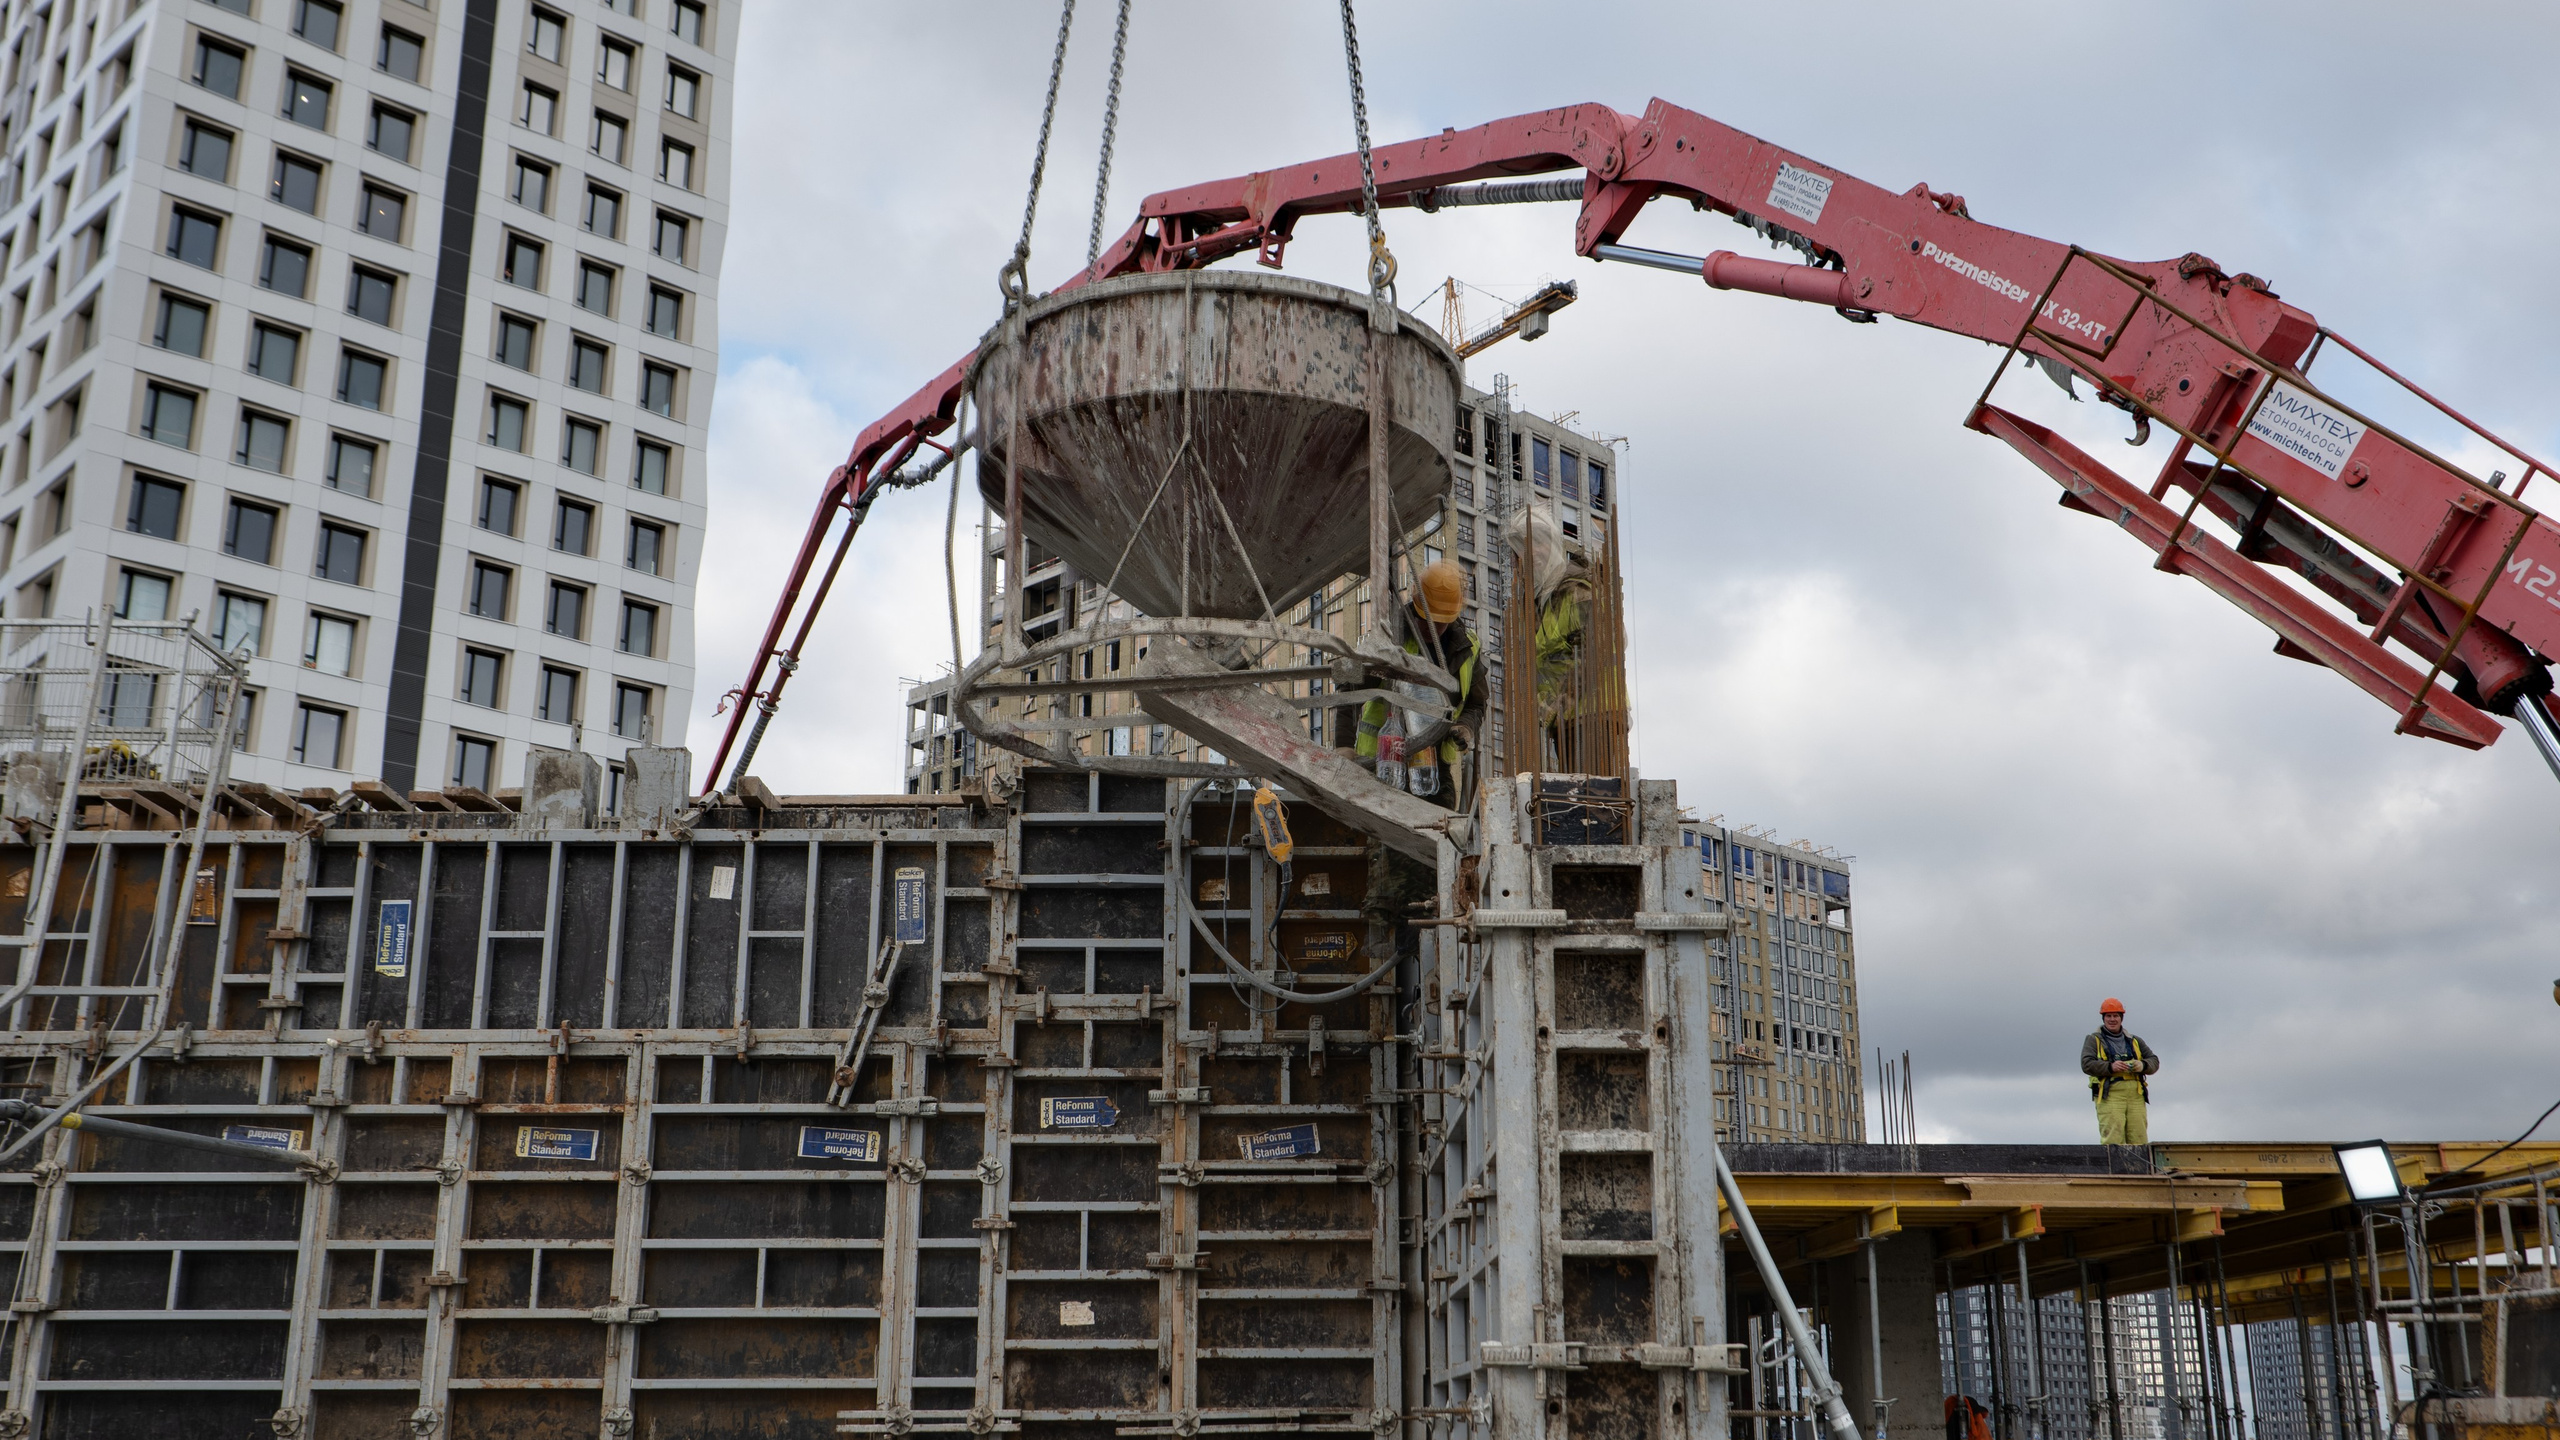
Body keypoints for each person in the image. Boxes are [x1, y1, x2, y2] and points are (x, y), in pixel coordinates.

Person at [1355, 560, 1485, 807]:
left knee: (1440, 839)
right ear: (1416, 606)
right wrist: (1343, 745)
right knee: (1384, 839)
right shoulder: (1390, 635)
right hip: (1385, 760)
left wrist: (1466, 727)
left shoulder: (1467, 647)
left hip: (1434, 768)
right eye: (1428, 620)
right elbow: (1350, 688)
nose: (1435, 628)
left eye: (1442, 621)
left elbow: (1476, 704)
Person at [2080, 998, 2158, 1145]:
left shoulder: (2135, 1040)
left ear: (2121, 1017)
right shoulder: (2093, 1039)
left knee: (2139, 1139)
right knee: (2113, 1140)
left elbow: (2154, 1061)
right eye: (2108, 1016)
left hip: (2136, 1094)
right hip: (2110, 1094)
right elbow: (2086, 1064)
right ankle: (2116, 1169)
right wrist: (2111, 1067)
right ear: (2103, 1018)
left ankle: (2139, 1168)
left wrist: (2141, 1065)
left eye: (2115, 1016)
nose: (2112, 1019)